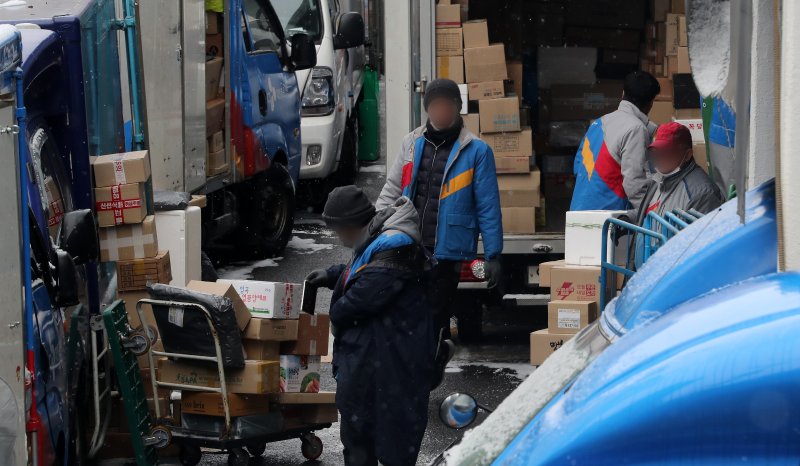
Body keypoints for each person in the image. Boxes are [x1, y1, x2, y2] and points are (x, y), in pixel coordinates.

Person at [375, 78, 503, 381]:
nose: (440, 111)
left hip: (448, 251)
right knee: (405, 310)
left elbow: (488, 206)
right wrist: (375, 225)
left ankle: (427, 371)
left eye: (446, 105)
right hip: (409, 245)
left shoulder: (476, 151)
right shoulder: (412, 142)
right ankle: (413, 366)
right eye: (434, 105)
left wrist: (494, 254)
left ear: (457, 108)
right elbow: (393, 188)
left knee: (435, 314)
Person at [305, 186, 434, 466]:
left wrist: (336, 312)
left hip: (388, 364)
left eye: (338, 231)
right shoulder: (378, 238)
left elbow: (361, 299)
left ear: (351, 225)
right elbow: (364, 271)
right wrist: (333, 275)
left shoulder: (394, 246)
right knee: (359, 439)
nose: (339, 239)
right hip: (375, 360)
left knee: (383, 442)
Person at [570, 71, 661, 212]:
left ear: (622, 93)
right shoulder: (635, 129)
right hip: (608, 216)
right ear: (650, 103)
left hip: (579, 210)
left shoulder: (599, 122)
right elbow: (634, 184)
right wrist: (652, 214)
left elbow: (578, 166)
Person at [632, 121, 724, 224]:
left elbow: (699, 236)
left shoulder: (701, 193)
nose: (660, 158)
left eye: (667, 152)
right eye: (657, 152)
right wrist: (628, 217)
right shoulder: (659, 179)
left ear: (687, 155)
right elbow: (652, 211)